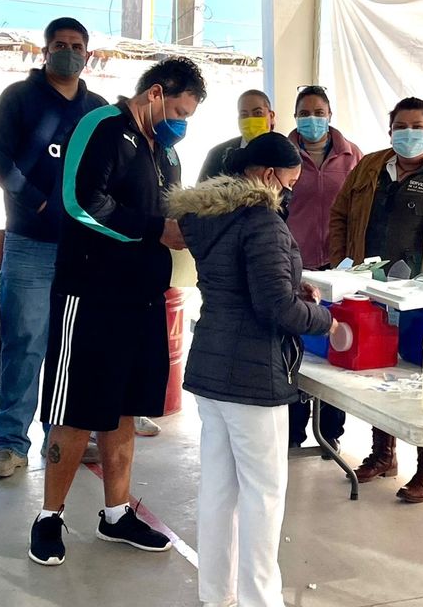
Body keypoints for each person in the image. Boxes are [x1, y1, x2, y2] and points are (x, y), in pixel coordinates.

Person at [28, 56, 205, 566]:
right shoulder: (103, 126)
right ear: (155, 93)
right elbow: (81, 201)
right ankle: (49, 516)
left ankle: (116, 513)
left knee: (125, 407)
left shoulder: (165, 154)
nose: (181, 124)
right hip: (90, 294)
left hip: (143, 295)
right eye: (178, 112)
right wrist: (154, 230)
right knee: (76, 408)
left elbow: (168, 216)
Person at [168, 132, 335, 607]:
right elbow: (275, 307)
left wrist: (289, 287)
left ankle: (215, 594)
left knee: (218, 490)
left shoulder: (208, 216)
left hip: (211, 364)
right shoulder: (263, 222)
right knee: (263, 494)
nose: (290, 191)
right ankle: (262, 600)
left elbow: (241, 283)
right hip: (253, 373)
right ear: (266, 174)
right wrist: (325, 319)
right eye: (290, 182)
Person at [329, 96, 423, 502]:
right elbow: (340, 215)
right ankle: (383, 454)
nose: (408, 133)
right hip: (372, 288)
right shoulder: (369, 167)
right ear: (390, 131)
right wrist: (341, 264)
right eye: (400, 126)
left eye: (417, 127)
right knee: (379, 368)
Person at [0, 17, 107, 478]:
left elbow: (107, 170)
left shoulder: (97, 110)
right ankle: (11, 444)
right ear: (45, 51)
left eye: (76, 45)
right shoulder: (19, 97)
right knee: (25, 342)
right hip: (30, 244)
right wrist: (35, 201)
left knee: (74, 347)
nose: (68, 52)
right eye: (59, 44)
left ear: (87, 55)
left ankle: (68, 436)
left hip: (83, 250)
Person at [285, 85, 362, 451]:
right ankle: (293, 430)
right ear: (295, 116)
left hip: (338, 269)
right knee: (294, 349)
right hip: (293, 266)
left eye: (319, 113)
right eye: (305, 113)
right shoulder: (283, 153)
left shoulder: (352, 156)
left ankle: (331, 432)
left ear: (330, 115)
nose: (312, 119)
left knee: (334, 347)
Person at [197, 88, 274, 181]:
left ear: (271, 116)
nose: (250, 119)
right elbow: (201, 189)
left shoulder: (286, 153)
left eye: (258, 113)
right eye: (244, 115)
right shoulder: (217, 154)